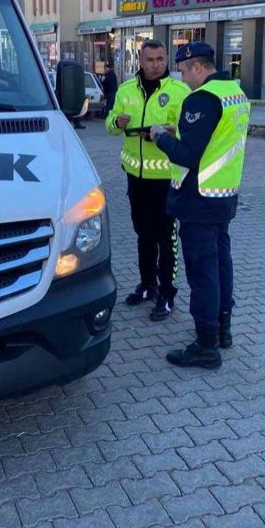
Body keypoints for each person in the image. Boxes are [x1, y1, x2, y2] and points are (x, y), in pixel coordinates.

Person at [150, 42, 250, 369]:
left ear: (196, 66)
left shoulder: (201, 98)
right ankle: (223, 328)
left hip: (198, 199)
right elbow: (214, 139)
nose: (182, 76)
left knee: (202, 271)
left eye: (183, 70)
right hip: (223, 195)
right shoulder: (234, 92)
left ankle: (206, 345)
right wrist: (178, 131)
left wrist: (161, 138)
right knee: (222, 263)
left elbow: (187, 154)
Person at [106, 40, 189, 320]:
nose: (156, 65)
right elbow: (110, 123)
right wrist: (117, 123)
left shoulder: (178, 91)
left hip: (166, 179)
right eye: (150, 59)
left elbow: (188, 132)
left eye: (161, 59)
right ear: (140, 61)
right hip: (136, 178)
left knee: (166, 239)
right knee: (143, 235)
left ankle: (167, 293)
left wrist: (170, 131)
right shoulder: (126, 90)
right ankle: (147, 285)